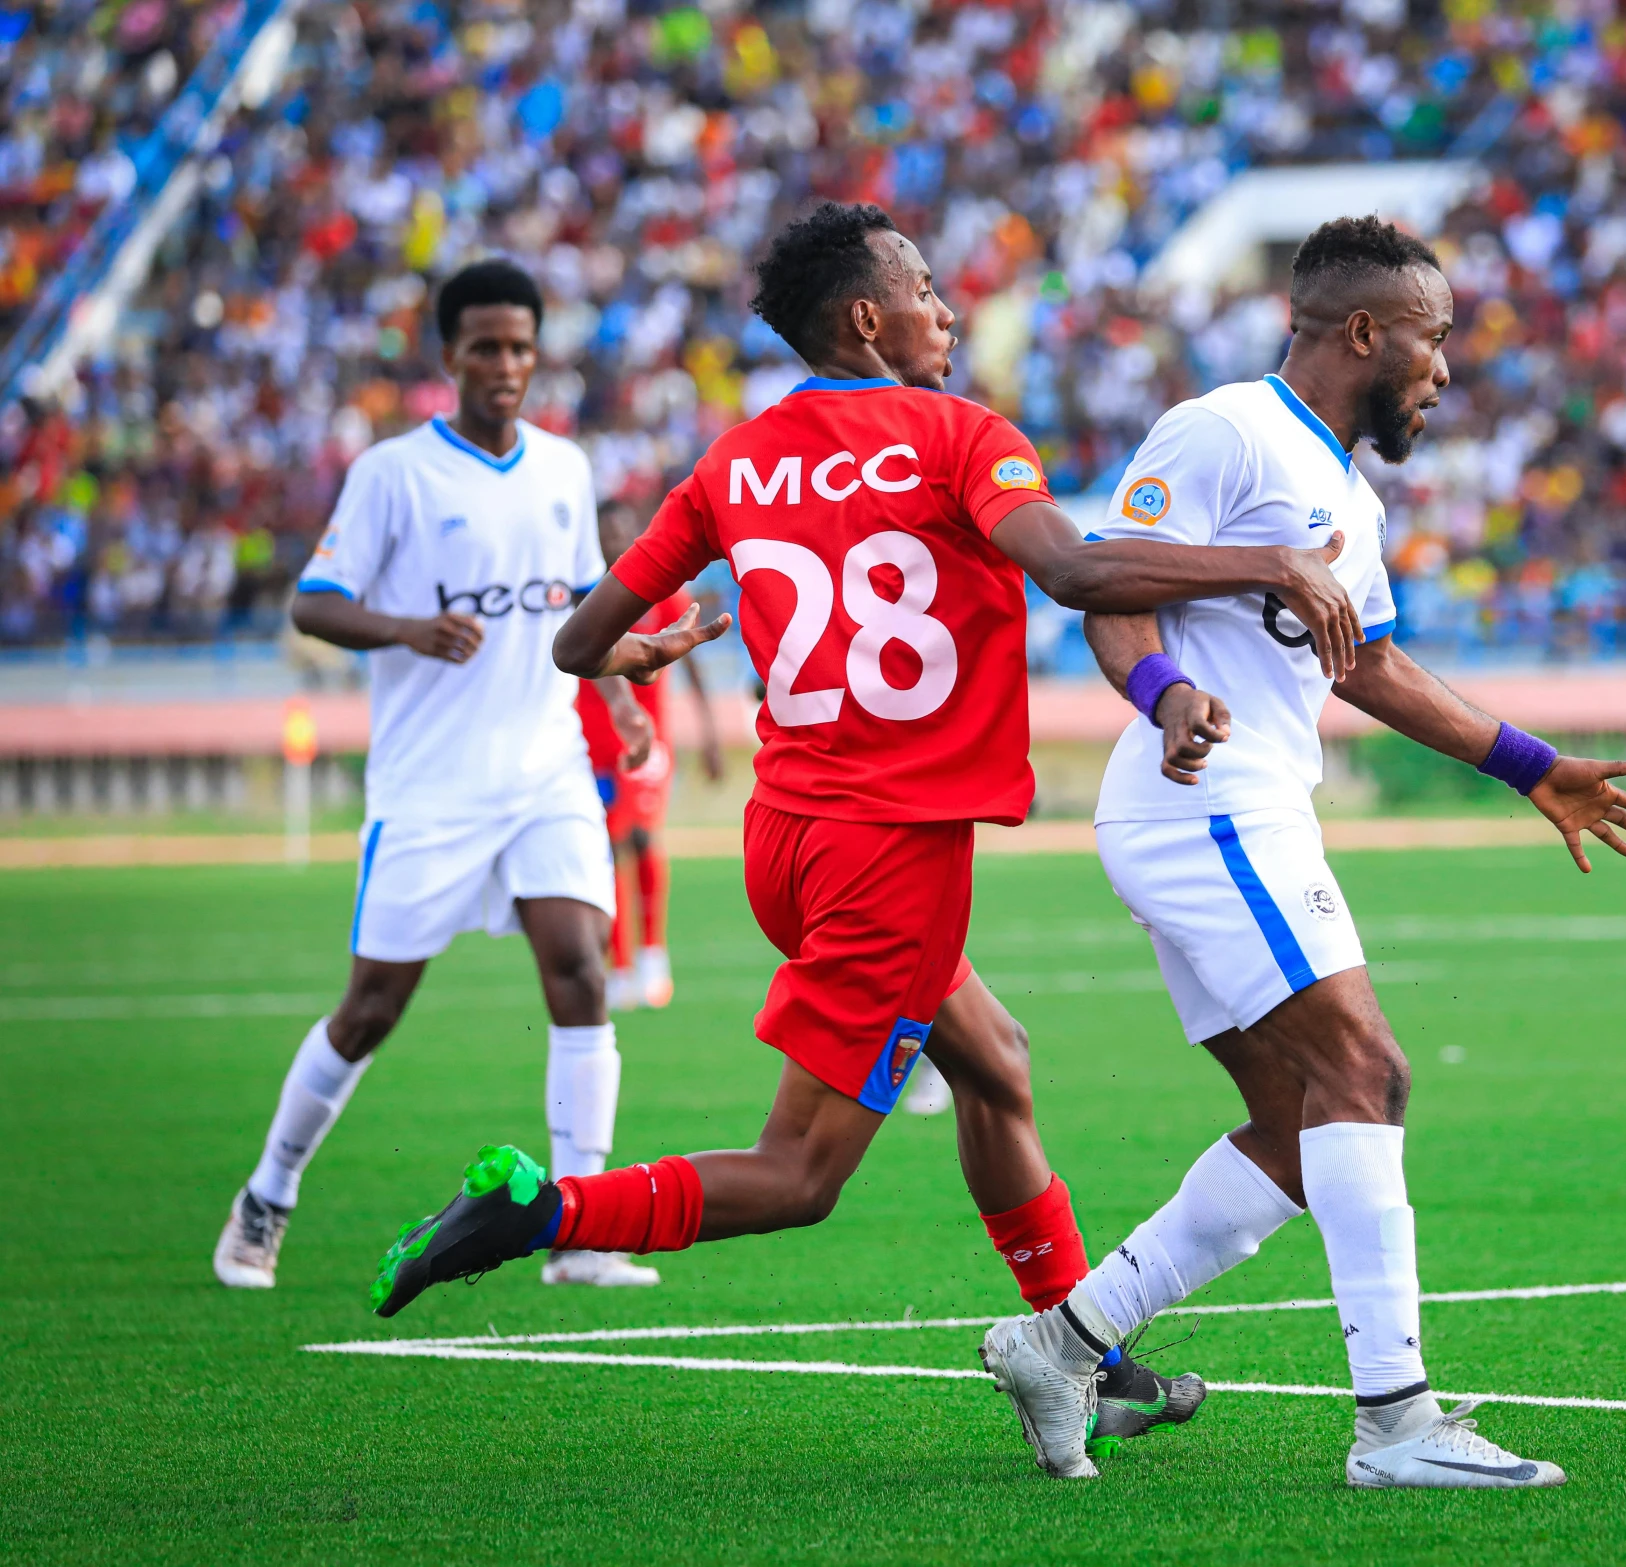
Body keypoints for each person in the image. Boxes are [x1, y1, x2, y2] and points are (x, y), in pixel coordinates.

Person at [364, 203, 1365, 1474]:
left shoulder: (733, 462)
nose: (946, 311)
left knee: (994, 1063)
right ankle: (539, 1211)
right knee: (800, 1176)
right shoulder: (960, 439)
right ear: (865, 318)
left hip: (784, 838)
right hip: (889, 852)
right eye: (927, 290)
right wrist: (1266, 563)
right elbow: (1073, 569)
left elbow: (573, 641)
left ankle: (1088, 1365)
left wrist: (639, 649)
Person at [981, 217, 1626, 1488]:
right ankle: (1396, 1422)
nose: (1444, 370)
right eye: (1434, 338)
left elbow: (1377, 664)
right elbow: (1107, 590)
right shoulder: (1224, 428)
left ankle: (1061, 1341)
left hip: (1241, 805)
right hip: (1204, 799)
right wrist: (1169, 693)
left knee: (1303, 1127)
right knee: (1371, 1068)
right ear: (1365, 332)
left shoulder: (1351, 490)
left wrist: (1531, 765)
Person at [213, 259, 664, 1293]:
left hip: (545, 768)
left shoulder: (563, 467)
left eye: (520, 347)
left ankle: (580, 1227)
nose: (506, 365)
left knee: (583, 971)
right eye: (485, 347)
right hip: (430, 789)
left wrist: (626, 703)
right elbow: (314, 604)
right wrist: (408, 628)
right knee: (371, 1006)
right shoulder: (393, 474)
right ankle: (267, 1195)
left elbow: (587, 609)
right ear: (448, 355)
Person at [575, 500, 727, 1012]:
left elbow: (693, 665)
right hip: (591, 739)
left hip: (648, 738)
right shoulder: (585, 595)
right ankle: (618, 964)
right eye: (604, 534)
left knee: (638, 835)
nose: (613, 542)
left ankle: (653, 954)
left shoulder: (660, 590)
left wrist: (707, 734)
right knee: (605, 845)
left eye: (621, 531)